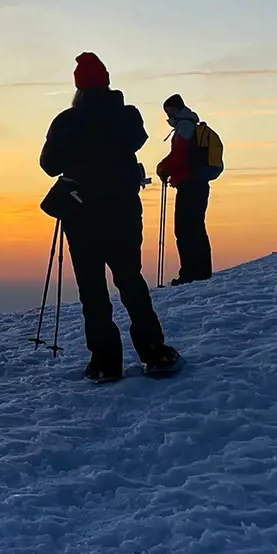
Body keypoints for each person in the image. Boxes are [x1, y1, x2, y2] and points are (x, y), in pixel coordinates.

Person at [39, 53, 181, 382]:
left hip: (81, 213)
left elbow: (49, 165)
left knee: (92, 288)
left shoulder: (66, 121)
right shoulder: (127, 116)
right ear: (106, 80)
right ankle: (153, 351)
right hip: (122, 211)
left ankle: (105, 362)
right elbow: (139, 139)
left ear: (78, 86)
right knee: (130, 279)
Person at [156, 94, 218, 284]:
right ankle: (201, 271)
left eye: (168, 112)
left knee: (185, 229)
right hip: (198, 184)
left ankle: (190, 273)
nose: (168, 117)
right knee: (196, 227)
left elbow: (178, 155)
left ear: (174, 110)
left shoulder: (184, 127)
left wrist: (163, 167)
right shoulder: (191, 125)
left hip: (189, 185)